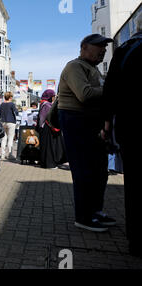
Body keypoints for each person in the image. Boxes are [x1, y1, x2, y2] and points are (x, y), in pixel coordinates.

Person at [58, 33, 116, 232]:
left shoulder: (93, 69)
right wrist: (112, 89)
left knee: (99, 171)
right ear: (84, 48)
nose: (103, 50)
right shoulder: (75, 66)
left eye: (105, 46)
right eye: (99, 46)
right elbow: (85, 94)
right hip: (76, 121)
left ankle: (95, 211)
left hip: (89, 123)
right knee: (84, 171)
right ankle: (83, 217)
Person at [103, 13, 142, 256]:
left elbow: (110, 93)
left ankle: (136, 241)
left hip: (132, 128)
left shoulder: (127, 49)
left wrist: (107, 126)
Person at [37, 89, 67, 169]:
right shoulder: (46, 105)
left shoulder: (44, 103)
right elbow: (44, 117)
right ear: (49, 96)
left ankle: (46, 163)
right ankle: (49, 164)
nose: (54, 98)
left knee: (47, 146)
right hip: (47, 127)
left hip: (46, 127)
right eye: (53, 96)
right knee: (49, 147)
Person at [0, 91, 19, 160]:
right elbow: (16, 112)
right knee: (10, 139)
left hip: (3, 122)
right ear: (10, 97)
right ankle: (10, 154)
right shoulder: (12, 104)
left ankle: (2, 155)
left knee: (3, 139)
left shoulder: (1, 104)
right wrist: (16, 108)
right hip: (11, 122)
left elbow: (0, 113)